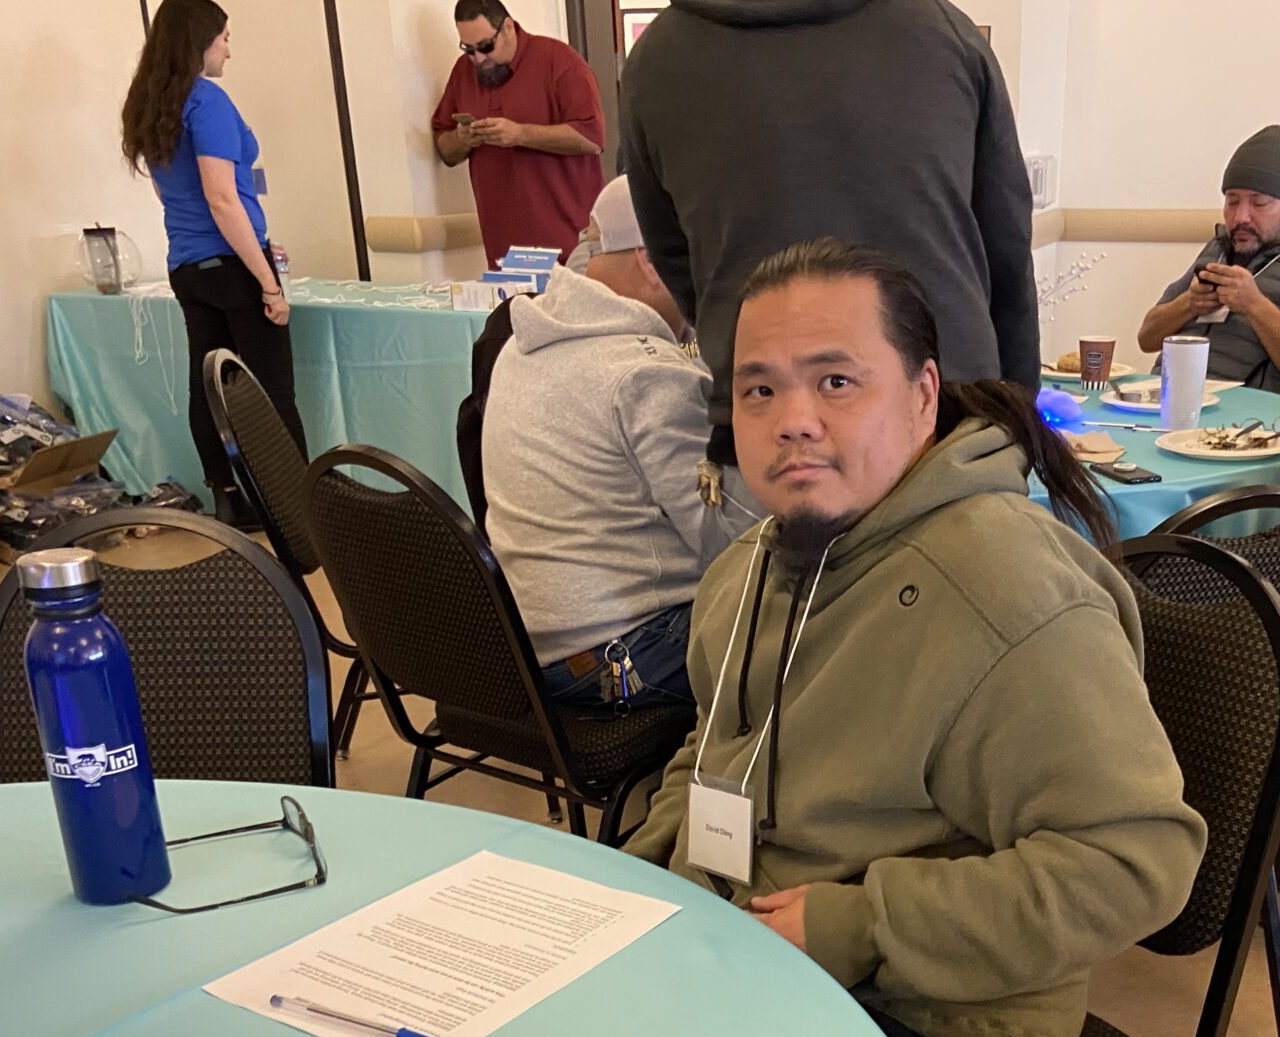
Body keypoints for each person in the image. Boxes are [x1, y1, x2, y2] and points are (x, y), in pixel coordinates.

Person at [623, 239, 1204, 1037]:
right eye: (759, 388)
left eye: (836, 382)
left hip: (943, 1013)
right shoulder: (748, 570)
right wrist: (642, 880)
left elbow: (1138, 860)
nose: (792, 419)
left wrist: (858, 927)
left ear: (923, 396)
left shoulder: (1005, 594)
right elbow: (712, 748)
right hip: (751, 943)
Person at [620, 0, 1038, 466]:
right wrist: (1016, 412)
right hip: (945, 414)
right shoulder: (943, 32)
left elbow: (674, 256)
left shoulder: (656, 59)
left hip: (775, 416)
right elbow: (1006, 244)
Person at [482, 178, 747, 709]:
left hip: (526, 647)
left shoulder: (522, 343)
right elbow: (730, 542)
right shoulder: (644, 375)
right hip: (620, 656)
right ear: (653, 262)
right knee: (820, 621)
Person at [121, 0, 302, 525]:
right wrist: (266, 278)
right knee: (271, 390)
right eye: (224, 37)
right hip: (231, 264)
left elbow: (168, 193)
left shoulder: (150, 104)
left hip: (188, 265)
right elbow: (222, 198)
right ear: (200, 42)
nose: (229, 47)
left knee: (210, 385)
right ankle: (292, 509)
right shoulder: (208, 102)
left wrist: (252, 241)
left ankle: (228, 497)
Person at [1136, 126, 1280, 404]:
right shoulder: (1218, 248)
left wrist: (1255, 305)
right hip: (1169, 403)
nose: (1241, 216)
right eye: (1232, 202)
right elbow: (1146, 339)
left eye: (1259, 203)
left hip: (1251, 422)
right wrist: (1189, 304)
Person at [431, 0, 605, 265]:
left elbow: (591, 138)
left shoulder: (559, 61)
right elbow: (445, 149)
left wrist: (520, 134)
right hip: (504, 254)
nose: (478, 58)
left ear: (508, 27)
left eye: (485, 46)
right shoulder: (463, 73)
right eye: (469, 49)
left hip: (571, 246)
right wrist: (462, 139)